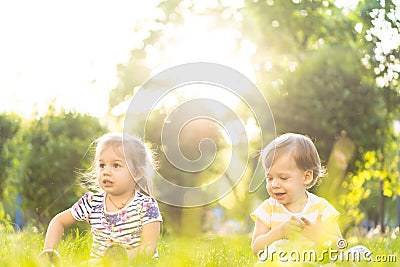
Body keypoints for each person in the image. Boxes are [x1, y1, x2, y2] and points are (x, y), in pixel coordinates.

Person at [41, 133, 162, 264]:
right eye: (102, 165)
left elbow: (148, 248)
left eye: (116, 165)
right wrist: (49, 253)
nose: (106, 171)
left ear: (137, 173)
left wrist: (120, 259)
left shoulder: (146, 205)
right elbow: (58, 221)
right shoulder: (92, 203)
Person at [250, 133, 342, 264]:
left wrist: (321, 237)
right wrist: (278, 232)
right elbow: (256, 249)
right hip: (280, 263)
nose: (274, 184)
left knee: (356, 254)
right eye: (269, 178)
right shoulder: (268, 209)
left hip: (314, 262)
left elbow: (341, 246)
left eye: (283, 178)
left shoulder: (321, 208)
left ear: (306, 177)